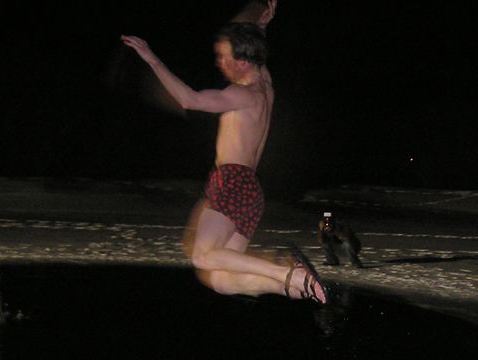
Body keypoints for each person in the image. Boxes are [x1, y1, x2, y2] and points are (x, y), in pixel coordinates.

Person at [121, 0, 327, 303]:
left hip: (231, 182)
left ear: (242, 60)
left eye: (224, 57)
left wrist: (151, 58)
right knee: (221, 280)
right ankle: (294, 288)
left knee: (203, 257)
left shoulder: (240, 94)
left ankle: (290, 274)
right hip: (251, 191)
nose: (220, 62)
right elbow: (254, 53)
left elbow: (190, 100)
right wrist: (260, 28)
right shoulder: (265, 84)